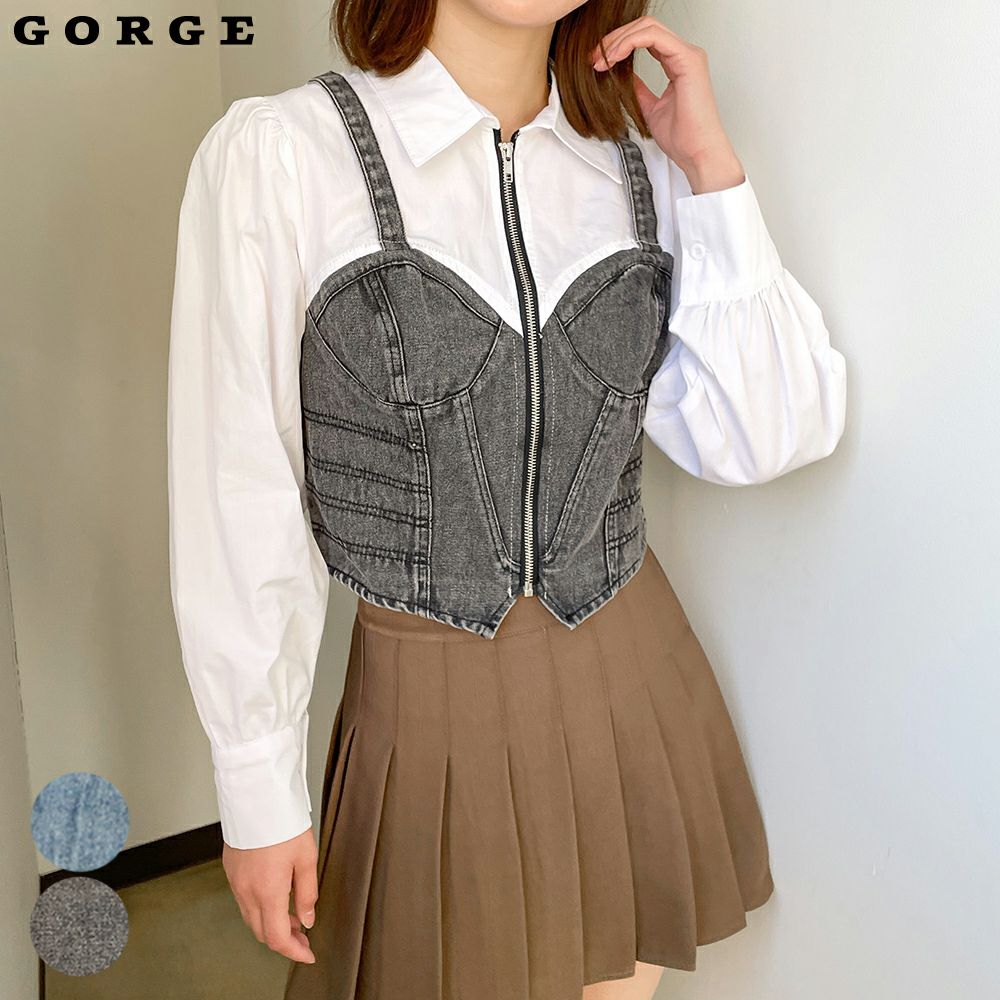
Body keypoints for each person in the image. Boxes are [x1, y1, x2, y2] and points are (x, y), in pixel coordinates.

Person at [166, 2, 847, 999]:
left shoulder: (637, 162)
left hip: (636, 690)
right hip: (427, 718)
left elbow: (770, 434)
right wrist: (256, 789)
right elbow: (239, 492)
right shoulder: (281, 155)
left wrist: (709, 169)